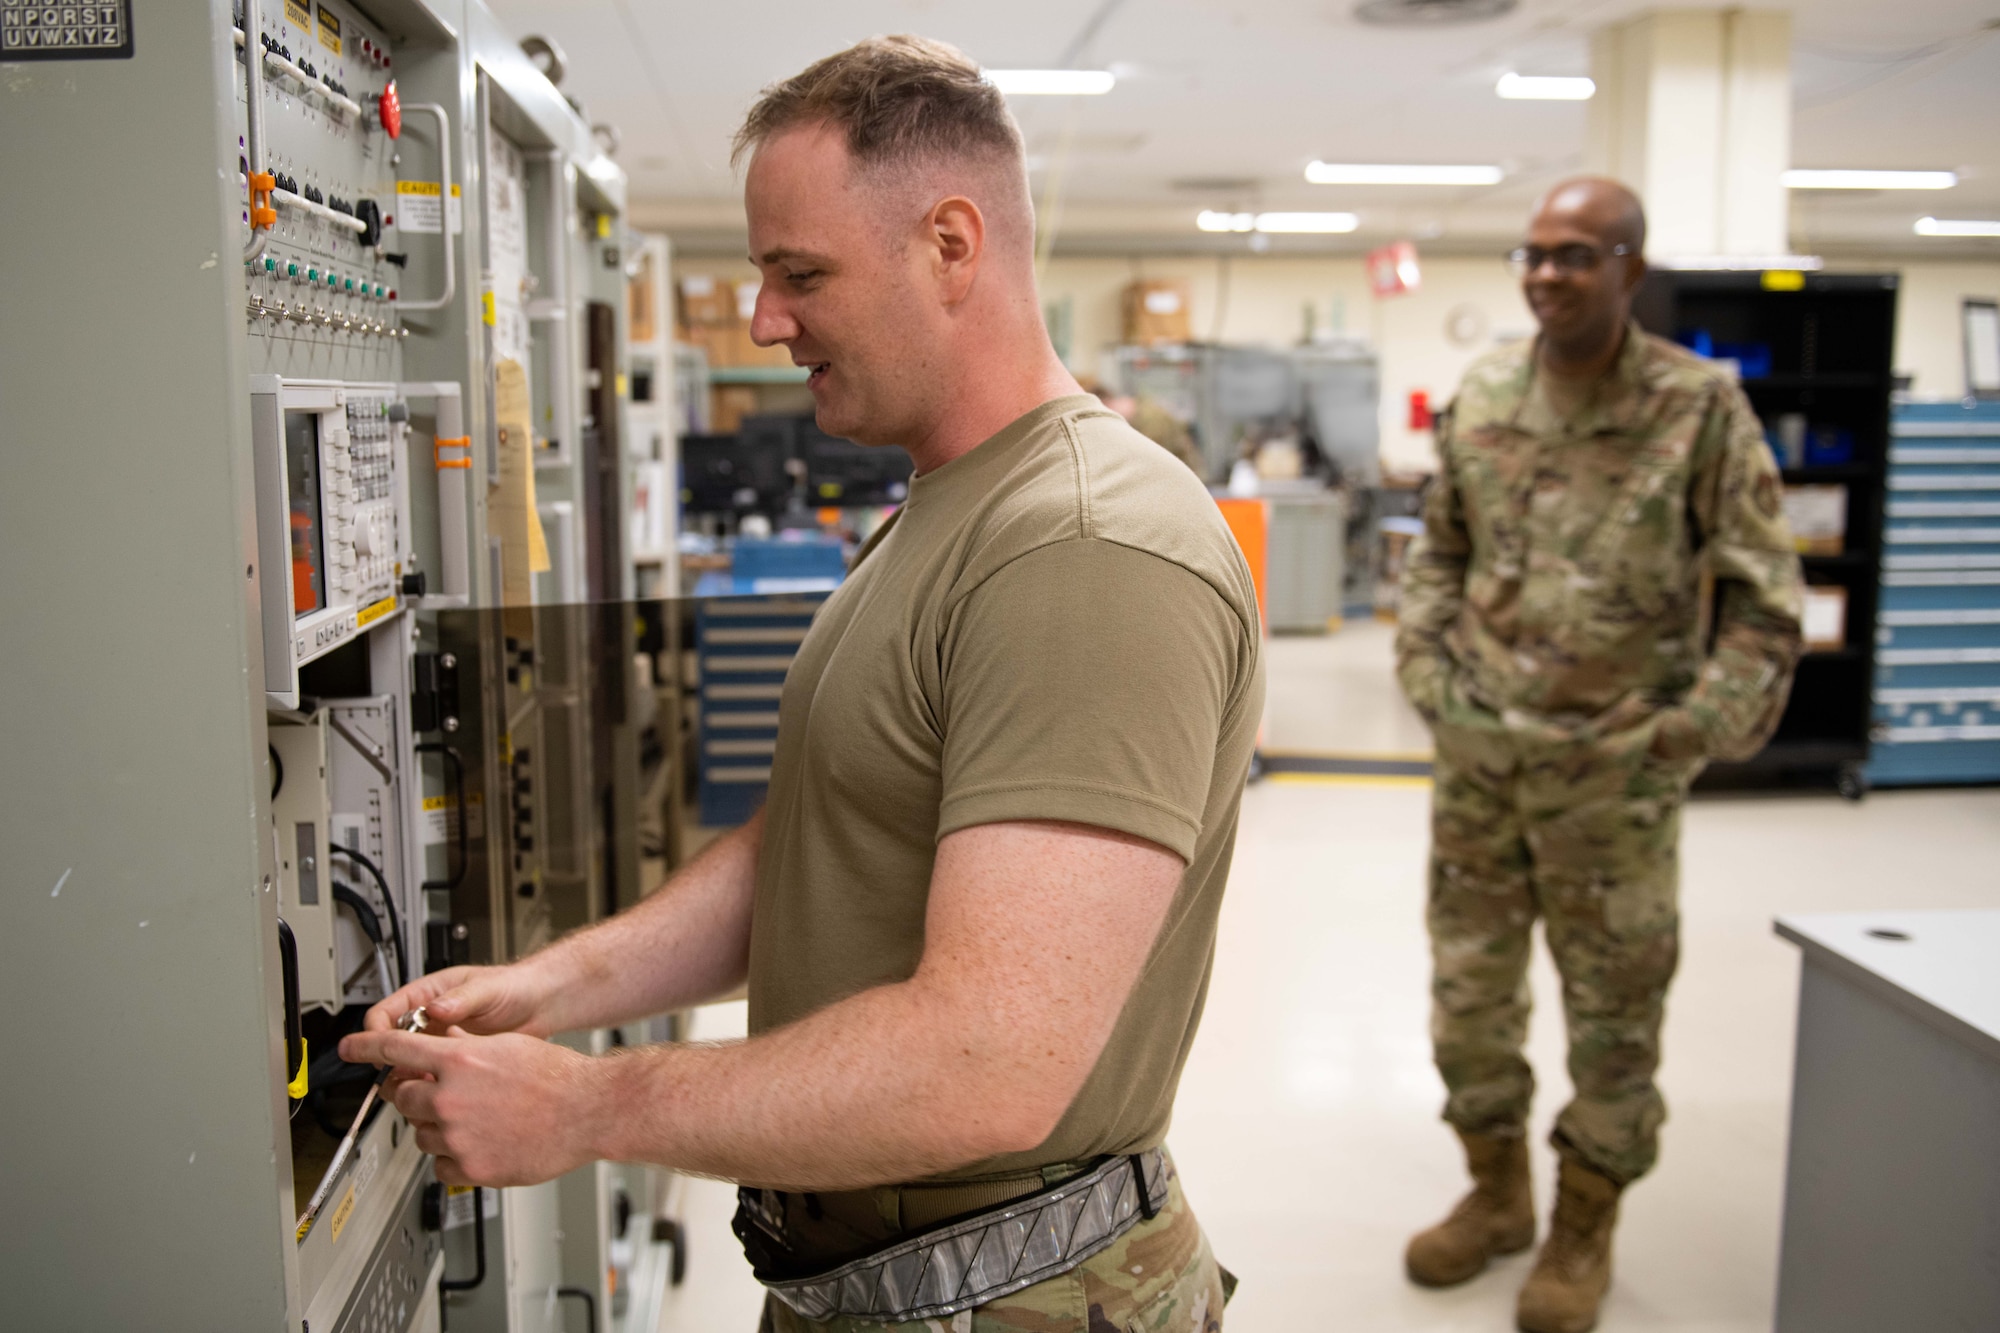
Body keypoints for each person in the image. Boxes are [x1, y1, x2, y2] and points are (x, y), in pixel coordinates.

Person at [343, 35, 1263, 1333]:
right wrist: (555, 986)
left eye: (800, 274)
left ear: (951, 245)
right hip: (873, 1285)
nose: (766, 319)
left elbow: (988, 1061)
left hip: (1022, 1299)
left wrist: (586, 1105)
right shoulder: (944, 512)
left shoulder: (1082, 545)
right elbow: (814, 846)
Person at [1394, 178, 1804, 1333]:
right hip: (1481, 767)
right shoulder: (1481, 396)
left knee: (1612, 1018)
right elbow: (1437, 556)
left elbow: (1767, 602)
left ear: (1628, 266)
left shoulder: (1696, 406)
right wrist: (1427, 676)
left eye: (1573, 255)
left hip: (1613, 786)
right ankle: (1494, 1194)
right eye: (1530, 254)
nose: (1544, 275)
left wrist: (1685, 734)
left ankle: (1583, 1225)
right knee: (1465, 1003)